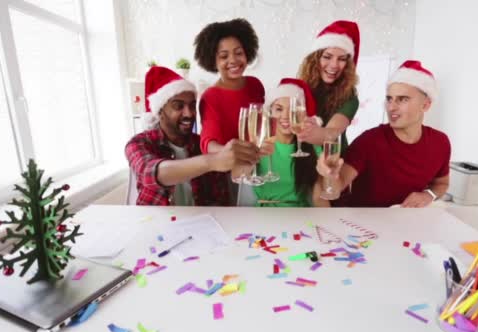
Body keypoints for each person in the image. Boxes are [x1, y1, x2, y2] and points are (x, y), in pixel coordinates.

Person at [316, 60, 451, 208]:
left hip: (407, 223)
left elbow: (442, 184)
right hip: (363, 223)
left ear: (425, 105)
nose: (391, 107)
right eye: (389, 99)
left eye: (403, 99)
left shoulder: (440, 142)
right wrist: (330, 175)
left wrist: (428, 195)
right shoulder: (369, 141)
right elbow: (337, 187)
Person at [125, 66, 258, 206]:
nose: (189, 114)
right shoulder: (139, 143)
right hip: (156, 223)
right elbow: (152, 174)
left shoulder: (201, 145)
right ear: (160, 112)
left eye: (192, 106)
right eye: (178, 106)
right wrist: (212, 161)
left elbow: (222, 200)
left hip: (203, 223)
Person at [193, 18, 265, 154]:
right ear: (213, 62)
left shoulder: (255, 85)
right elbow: (207, 143)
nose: (233, 60)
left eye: (238, 53)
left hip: (258, 164)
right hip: (230, 170)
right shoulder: (211, 97)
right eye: (224, 56)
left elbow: (262, 128)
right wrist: (232, 152)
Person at [254, 78, 327, 207]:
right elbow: (238, 174)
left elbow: (319, 196)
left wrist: (329, 224)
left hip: (301, 215)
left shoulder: (313, 148)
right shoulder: (258, 144)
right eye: (279, 109)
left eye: (293, 110)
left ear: (302, 114)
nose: (286, 116)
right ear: (270, 113)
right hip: (264, 215)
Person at [297, 20, 360, 151]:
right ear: (315, 59)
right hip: (302, 162)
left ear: (348, 64)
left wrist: (305, 131)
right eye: (327, 57)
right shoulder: (299, 89)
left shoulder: (350, 97)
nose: (334, 65)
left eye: (342, 59)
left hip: (334, 160)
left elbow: (331, 133)